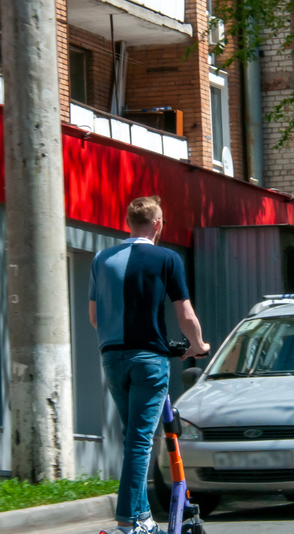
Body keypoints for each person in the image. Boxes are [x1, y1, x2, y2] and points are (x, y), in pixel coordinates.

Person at [90, 196, 210, 534]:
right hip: (149, 360)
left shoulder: (101, 259)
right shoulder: (167, 258)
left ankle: (142, 518)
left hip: (112, 357)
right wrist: (198, 345)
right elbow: (185, 314)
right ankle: (129, 522)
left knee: (132, 439)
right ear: (157, 224)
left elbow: (94, 316)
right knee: (142, 441)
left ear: (128, 222)